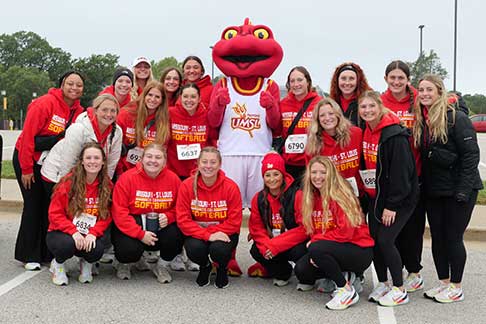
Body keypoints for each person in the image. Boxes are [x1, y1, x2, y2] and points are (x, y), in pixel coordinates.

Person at [412, 74, 482, 303]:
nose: (424, 94)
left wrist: (463, 190)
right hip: (435, 190)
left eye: (429, 90)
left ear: (439, 92)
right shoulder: (423, 120)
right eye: (421, 90)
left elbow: (471, 156)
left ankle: (456, 286)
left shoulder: (457, 118)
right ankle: (443, 283)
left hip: (459, 190)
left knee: (453, 237)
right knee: (438, 238)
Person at [13, 70, 85, 270]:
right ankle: (29, 255)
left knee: (48, 207)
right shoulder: (44, 103)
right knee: (33, 206)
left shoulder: (79, 112)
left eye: (79, 85)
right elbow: (27, 137)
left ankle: (45, 252)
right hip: (28, 160)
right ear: (62, 84)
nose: (74, 88)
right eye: (70, 83)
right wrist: (26, 169)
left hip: (50, 164)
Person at [358, 90, 419, 307]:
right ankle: (383, 283)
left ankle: (399, 289)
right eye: (363, 107)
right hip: (376, 196)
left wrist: (392, 205)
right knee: (374, 240)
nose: (367, 111)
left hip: (398, 199)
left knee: (386, 240)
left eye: (371, 106)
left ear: (380, 106)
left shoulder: (394, 134)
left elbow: (402, 174)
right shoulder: (366, 129)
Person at [293, 156, 374, 310]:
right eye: (314, 172)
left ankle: (346, 290)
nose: (318, 177)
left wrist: (318, 243)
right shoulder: (309, 197)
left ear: (330, 174)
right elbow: (311, 229)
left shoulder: (340, 195)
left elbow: (346, 233)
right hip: (333, 246)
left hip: (358, 250)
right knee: (302, 270)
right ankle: (344, 275)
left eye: (323, 172)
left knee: (316, 249)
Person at [380, 60, 425, 293]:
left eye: (401, 78)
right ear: (386, 78)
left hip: (416, 173)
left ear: (408, 80)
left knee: (413, 229)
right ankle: (396, 269)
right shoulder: (380, 101)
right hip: (391, 176)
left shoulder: (418, 98)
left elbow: (440, 103)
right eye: (392, 77)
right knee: (393, 230)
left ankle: (414, 271)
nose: (396, 82)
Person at [111, 143, 183, 283]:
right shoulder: (127, 178)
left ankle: (161, 265)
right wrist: (140, 234)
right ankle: (124, 263)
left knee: (178, 233)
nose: (153, 161)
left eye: (158, 157)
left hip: (160, 225)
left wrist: (169, 216)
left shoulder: (173, 179)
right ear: (142, 159)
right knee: (128, 249)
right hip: (135, 224)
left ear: (164, 161)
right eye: (149, 156)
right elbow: (119, 212)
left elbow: (181, 208)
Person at [176, 146, 242, 288]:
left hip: (224, 232)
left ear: (220, 164)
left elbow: (234, 222)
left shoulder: (231, 187)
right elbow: (183, 220)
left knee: (219, 249)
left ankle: (222, 268)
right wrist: (208, 235)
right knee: (194, 249)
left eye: (213, 162)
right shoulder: (186, 186)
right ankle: (205, 266)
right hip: (199, 233)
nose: (208, 166)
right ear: (198, 164)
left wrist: (214, 233)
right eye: (204, 162)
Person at [46, 142, 112, 285]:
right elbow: (54, 214)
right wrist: (73, 232)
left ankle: (85, 262)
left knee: (97, 249)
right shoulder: (68, 183)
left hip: (89, 232)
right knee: (66, 245)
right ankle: (58, 264)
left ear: (103, 162)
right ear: (82, 162)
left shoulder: (107, 185)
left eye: (96, 158)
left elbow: (106, 216)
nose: (92, 162)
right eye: (88, 158)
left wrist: (93, 233)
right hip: (62, 232)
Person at [41, 93, 122, 194]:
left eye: (113, 111)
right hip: (56, 174)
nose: (109, 114)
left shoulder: (117, 131)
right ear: (96, 110)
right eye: (104, 110)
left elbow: (111, 163)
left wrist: (104, 185)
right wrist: (65, 188)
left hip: (84, 176)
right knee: (63, 208)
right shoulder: (78, 128)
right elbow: (68, 162)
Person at [248, 152, 307, 285]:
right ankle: (283, 272)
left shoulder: (297, 195)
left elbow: (304, 229)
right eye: (267, 175)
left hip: (293, 242)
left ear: (283, 175)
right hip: (273, 241)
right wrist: (265, 246)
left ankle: (307, 276)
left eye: (276, 174)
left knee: (300, 252)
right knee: (256, 250)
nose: (272, 179)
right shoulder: (258, 198)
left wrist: (276, 245)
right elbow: (256, 228)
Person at [116, 80, 170, 175]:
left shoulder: (164, 121)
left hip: (151, 173)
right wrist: (120, 171)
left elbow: (164, 150)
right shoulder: (126, 114)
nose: (152, 99)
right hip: (125, 171)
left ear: (162, 100)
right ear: (144, 96)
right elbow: (116, 144)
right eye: (150, 95)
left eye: (157, 97)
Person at [278, 66, 322, 181]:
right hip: (288, 163)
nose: (296, 84)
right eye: (292, 81)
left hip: (310, 163)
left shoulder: (319, 103)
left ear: (308, 82)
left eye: (300, 80)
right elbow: (276, 128)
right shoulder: (283, 104)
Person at [167, 83, 211, 180]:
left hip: (199, 171)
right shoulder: (170, 113)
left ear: (199, 99)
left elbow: (212, 139)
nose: (189, 100)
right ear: (180, 98)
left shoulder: (207, 114)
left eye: (193, 97)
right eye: (185, 96)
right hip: (174, 170)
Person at [329, 62, 372, 128]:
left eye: (351, 79)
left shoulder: (367, 103)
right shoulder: (331, 104)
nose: (347, 83)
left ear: (358, 81)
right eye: (343, 78)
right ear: (337, 81)